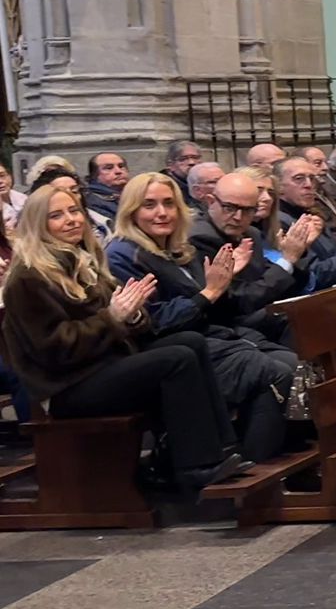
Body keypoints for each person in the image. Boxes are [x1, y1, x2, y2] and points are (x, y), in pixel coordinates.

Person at [2, 185, 247, 496]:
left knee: (190, 341)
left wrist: (131, 316)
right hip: (66, 386)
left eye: (74, 211)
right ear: (38, 224)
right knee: (175, 360)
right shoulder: (29, 277)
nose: (71, 220)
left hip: (102, 364)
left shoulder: (84, 259)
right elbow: (53, 349)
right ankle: (193, 467)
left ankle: (222, 447)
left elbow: (132, 317)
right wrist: (113, 318)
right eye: (56, 215)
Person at [106, 173, 299, 461]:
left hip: (208, 339)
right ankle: (255, 471)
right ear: (131, 210)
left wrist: (220, 284)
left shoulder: (178, 249)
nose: (162, 213)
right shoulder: (124, 254)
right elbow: (154, 323)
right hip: (170, 353)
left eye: (169, 204)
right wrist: (209, 292)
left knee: (295, 364)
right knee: (277, 370)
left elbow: (212, 298)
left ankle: (275, 460)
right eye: (149, 205)